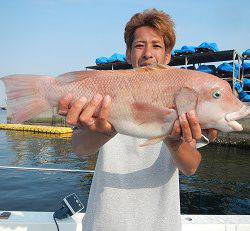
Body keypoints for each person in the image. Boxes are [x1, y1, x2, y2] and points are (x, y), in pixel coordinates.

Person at [58, 8, 217, 231]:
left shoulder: (183, 97)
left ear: (168, 56)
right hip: (105, 222)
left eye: (157, 45)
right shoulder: (106, 94)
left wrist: (172, 140)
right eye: (139, 45)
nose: (148, 53)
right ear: (128, 53)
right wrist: (105, 130)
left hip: (160, 224)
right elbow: (80, 149)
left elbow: (190, 167)